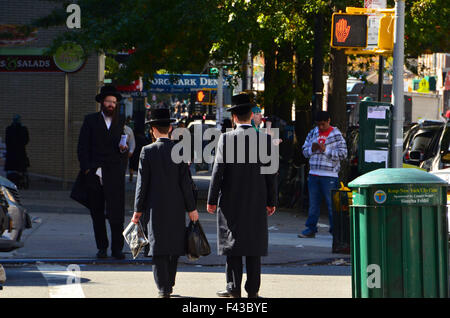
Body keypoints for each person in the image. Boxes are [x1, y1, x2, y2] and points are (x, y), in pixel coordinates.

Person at [207, 93, 278, 298]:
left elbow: (217, 171)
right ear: (251, 116)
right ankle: (253, 291)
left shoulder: (226, 139)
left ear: (235, 118)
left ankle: (233, 287)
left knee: (233, 244)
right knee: (254, 246)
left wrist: (212, 200)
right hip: (257, 199)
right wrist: (271, 201)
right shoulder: (265, 139)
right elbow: (271, 173)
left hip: (231, 199)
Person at [131, 108, 199, 298]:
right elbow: (186, 183)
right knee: (175, 245)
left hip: (154, 207)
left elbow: (141, 185)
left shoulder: (147, 151)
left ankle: (163, 288)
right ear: (170, 128)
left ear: (153, 129)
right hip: (176, 207)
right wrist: (191, 208)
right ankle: (170, 282)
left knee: (158, 247)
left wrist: (137, 210)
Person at [75, 85, 128, 259]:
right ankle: (102, 247)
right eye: (108, 101)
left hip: (114, 173)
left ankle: (117, 248)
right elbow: (82, 147)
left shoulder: (121, 120)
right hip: (95, 173)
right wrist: (87, 169)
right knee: (97, 213)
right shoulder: (90, 120)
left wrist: (123, 149)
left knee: (117, 213)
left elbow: (124, 149)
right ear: (102, 103)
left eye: (114, 102)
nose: (111, 104)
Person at [298, 111, 347, 238]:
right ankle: (310, 229)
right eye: (318, 125)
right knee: (313, 204)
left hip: (330, 174)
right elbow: (304, 151)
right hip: (314, 173)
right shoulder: (313, 132)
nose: (320, 127)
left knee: (332, 206)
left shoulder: (336, 135)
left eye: (323, 124)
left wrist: (326, 150)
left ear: (329, 121)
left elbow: (343, 154)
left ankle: (335, 231)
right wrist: (311, 149)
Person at [4, 115, 30, 188]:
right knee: (20, 169)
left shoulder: (9, 129)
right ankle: (20, 182)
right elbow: (26, 140)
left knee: (12, 169)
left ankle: (14, 182)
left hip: (11, 153)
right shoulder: (23, 129)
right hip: (20, 153)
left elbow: (7, 140)